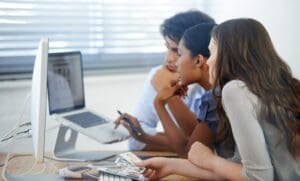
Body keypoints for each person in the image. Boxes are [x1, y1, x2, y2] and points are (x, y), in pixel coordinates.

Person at [137, 18, 300, 180]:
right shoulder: (277, 87)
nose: (209, 61)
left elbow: (257, 177)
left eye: (212, 52)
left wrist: (209, 160)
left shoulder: (234, 90)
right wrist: (169, 165)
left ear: (227, 55)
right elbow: (238, 171)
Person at [118, 10, 215, 151]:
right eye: (168, 48)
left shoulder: (217, 92)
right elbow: (188, 145)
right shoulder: (161, 75)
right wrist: (144, 135)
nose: (168, 59)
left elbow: (196, 145)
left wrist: (168, 95)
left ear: (200, 56)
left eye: (177, 51)